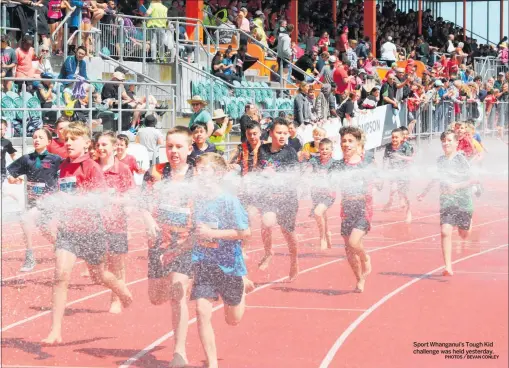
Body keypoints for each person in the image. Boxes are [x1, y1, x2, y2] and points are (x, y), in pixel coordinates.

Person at [42, 122, 133, 344]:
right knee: (60, 275)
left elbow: (101, 198)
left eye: (74, 139)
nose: (69, 143)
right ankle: (55, 330)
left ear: (85, 144)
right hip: (68, 231)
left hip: (92, 231)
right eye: (67, 139)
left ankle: (120, 289)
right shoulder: (63, 166)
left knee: (98, 275)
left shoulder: (91, 166)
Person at [141, 126, 195, 367]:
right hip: (158, 244)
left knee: (177, 292)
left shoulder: (198, 176)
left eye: (179, 146)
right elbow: (141, 203)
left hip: (185, 245)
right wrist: (148, 218)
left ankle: (179, 352)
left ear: (189, 149)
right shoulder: (155, 172)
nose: (173, 151)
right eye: (170, 146)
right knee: (155, 298)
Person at [191, 153, 251, 368]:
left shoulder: (228, 200)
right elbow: (195, 231)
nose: (197, 173)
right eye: (196, 169)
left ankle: (242, 286)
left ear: (216, 175)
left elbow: (245, 232)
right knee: (201, 310)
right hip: (204, 263)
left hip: (229, 266)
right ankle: (212, 363)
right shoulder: (196, 199)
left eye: (203, 169)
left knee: (233, 320)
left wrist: (212, 234)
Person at [418, 130, 477, 276]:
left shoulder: (461, 160)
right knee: (445, 232)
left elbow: (473, 180)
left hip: (463, 201)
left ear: (457, 143)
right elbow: (436, 178)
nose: (446, 143)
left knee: (464, 234)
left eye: (449, 140)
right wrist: (424, 192)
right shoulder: (440, 160)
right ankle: (448, 266)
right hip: (447, 200)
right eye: (444, 140)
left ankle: (468, 223)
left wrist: (456, 186)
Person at [329, 126, 378, 293]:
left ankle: (365, 257)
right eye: (344, 141)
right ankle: (359, 279)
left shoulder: (366, 163)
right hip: (347, 210)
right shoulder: (338, 166)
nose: (346, 144)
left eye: (350, 141)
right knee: (349, 250)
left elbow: (379, 182)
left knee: (354, 242)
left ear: (358, 144)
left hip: (363, 209)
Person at [6, 128, 63, 272]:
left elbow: (66, 174)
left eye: (40, 137)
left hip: (49, 201)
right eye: (35, 137)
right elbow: (11, 174)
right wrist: (13, 179)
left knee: (26, 220)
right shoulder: (27, 159)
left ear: (48, 142)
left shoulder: (55, 159)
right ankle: (61, 248)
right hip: (33, 201)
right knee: (45, 230)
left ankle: (30, 256)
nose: (36, 140)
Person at [96, 131, 136, 314]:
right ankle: (121, 290)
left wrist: (118, 203)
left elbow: (131, 196)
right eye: (98, 145)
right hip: (94, 225)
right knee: (99, 269)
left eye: (104, 145)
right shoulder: (92, 168)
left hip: (116, 224)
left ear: (114, 147)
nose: (100, 148)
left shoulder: (123, 170)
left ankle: (116, 299)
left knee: (116, 264)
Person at [256, 118, 300, 281]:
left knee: (288, 233)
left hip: (287, 199)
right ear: (270, 133)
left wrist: (277, 176)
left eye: (285, 133)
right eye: (279, 132)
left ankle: (294, 260)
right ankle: (268, 252)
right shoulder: (263, 150)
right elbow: (259, 171)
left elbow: (295, 176)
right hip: (269, 198)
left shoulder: (290, 152)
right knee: (266, 223)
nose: (282, 136)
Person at [306, 138, 336, 250]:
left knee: (318, 213)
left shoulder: (334, 163)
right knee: (323, 215)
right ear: (319, 149)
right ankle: (327, 232)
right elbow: (308, 171)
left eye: (327, 149)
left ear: (332, 150)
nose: (324, 151)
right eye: (322, 149)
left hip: (329, 195)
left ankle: (322, 237)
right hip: (316, 194)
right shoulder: (314, 161)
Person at [382, 128, 414, 224]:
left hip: (404, 173)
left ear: (401, 138)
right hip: (393, 172)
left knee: (404, 194)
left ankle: (409, 213)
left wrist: (400, 157)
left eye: (396, 137)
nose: (394, 139)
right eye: (393, 137)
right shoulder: (388, 147)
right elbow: (385, 159)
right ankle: (390, 201)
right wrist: (384, 170)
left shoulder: (406, 146)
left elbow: (411, 159)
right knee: (393, 189)